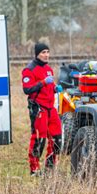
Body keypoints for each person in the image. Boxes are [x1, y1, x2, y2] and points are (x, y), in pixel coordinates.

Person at [22, 42, 63, 176]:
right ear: (37, 54)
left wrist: (55, 88)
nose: (46, 55)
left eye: (47, 52)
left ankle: (50, 167)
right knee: (39, 139)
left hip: (51, 108)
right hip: (39, 108)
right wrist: (44, 82)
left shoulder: (48, 69)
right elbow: (27, 89)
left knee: (57, 138)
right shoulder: (29, 70)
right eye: (43, 53)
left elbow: (49, 86)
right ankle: (34, 169)